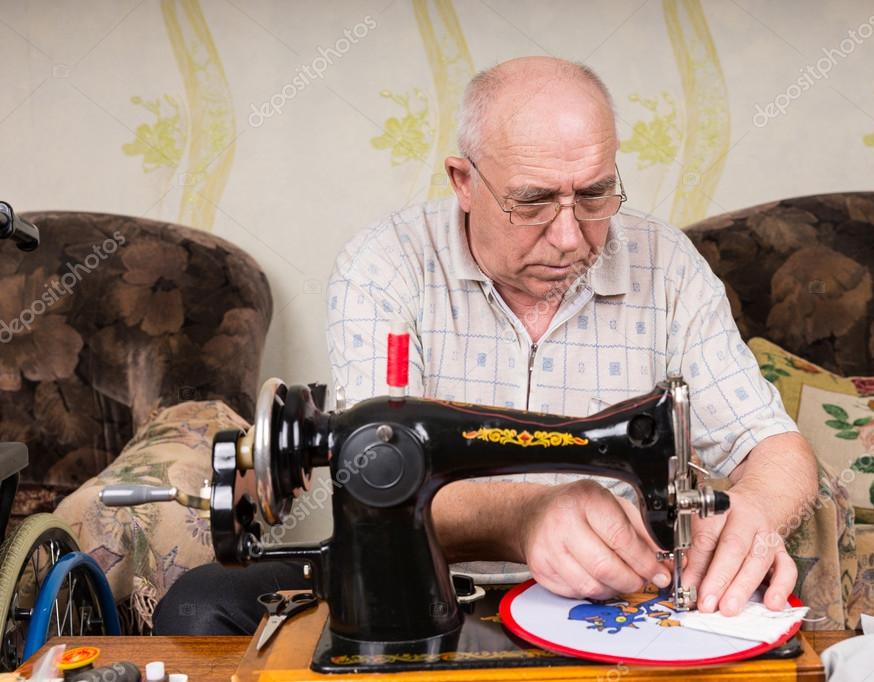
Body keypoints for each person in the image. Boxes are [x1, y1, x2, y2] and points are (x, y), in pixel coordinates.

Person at [154, 56, 818, 635]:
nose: (569, 237)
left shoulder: (665, 267)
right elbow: (378, 477)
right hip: (425, 579)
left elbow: (774, 447)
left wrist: (753, 514)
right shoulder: (387, 265)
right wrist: (529, 519)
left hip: (621, 590)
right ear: (463, 181)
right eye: (531, 202)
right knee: (202, 604)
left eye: (594, 195)